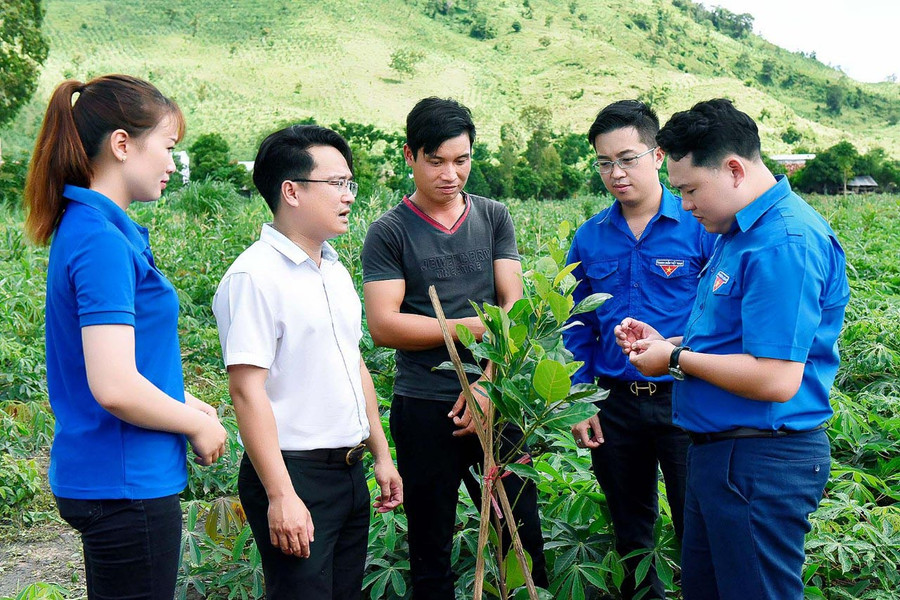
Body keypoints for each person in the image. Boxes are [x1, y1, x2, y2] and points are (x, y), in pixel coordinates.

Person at [617, 98, 849, 599]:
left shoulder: (784, 242)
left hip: (760, 459)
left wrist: (674, 361)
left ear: (735, 170)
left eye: (690, 189)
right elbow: (734, 338)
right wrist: (669, 341)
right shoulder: (737, 232)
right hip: (721, 456)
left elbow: (776, 377)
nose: (684, 203)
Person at [23, 75, 227, 600]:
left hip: (119, 473)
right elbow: (113, 384)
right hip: (125, 480)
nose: (172, 164)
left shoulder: (99, 229)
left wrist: (184, 400)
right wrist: (194, 426)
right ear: (121, 144)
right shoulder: (100, 240)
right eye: (168, 147)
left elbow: (123, 362)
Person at [361, 97, 547, 598]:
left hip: (497, 397)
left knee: (523, 533)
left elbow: (515, 304)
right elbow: (384, 325)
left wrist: (488, 381)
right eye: (436, 161)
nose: (451, 173)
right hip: (424, 404)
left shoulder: (493, 217)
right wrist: (475, 327)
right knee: (431, 546)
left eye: (461, 160)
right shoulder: (389, 232)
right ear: (410, 156)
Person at [212, 124, 402, 600]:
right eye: (336, 183)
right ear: (291, 191)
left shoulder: (333, 269)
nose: (348, 196)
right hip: (294, 472)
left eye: (349, 184)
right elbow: (246, 390)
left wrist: (380, 455)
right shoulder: (253, 276)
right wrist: (281, 494)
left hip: (348, 468)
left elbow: (352, 364)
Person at [563, 100, 716, 599]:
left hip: (686, 397)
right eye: (604, 162)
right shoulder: (589, 237)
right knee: (630, 531)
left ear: (656, 154)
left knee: (699, 525)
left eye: (627, 158)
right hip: (614, 404)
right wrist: (579, 395)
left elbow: (720, 315)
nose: (616, 173)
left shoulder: (701, 227)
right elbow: (576, 325)